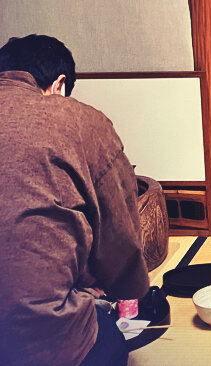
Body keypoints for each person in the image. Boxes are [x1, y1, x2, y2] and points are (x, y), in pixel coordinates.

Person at [0, 34, 149, 366]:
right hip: (40, 344)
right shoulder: (77, 119)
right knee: (110, 338)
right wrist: (122, 285)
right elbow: (119, 237)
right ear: (59, 85)